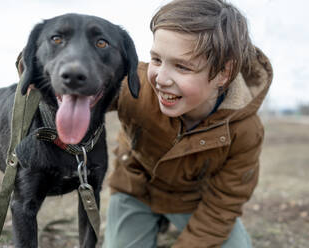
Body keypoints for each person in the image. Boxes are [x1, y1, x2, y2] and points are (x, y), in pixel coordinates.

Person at [103, 0, 273, 247]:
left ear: (224, 73)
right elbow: (83, 80)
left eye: (182, 66)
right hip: (136, 190)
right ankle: (151, 221)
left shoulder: (245, 131)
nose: (160, 79)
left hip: (194, 201)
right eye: (157, 59)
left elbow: (224, 203)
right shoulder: (134, 85)